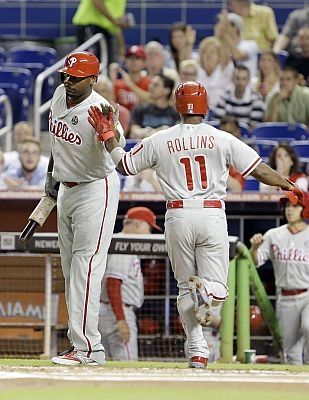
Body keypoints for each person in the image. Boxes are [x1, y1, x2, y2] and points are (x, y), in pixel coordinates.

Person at [87, 80, 303, 368]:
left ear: (178, 106)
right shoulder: (221, 137)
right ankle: (210, 295)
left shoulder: (160, 138)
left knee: (185, 288)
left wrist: (109, 135)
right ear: (206, 106)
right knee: (218, 289)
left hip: (176, 215)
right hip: (211, 213)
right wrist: (287, 185)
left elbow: (124, 165)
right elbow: (259, 170)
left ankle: (197, 348)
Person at [47, 51, 126, 366]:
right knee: (71, 271)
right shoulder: (57, 95)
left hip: (96, 189)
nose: (69, 81)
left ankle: (89, 349)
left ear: (94, 79)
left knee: (85, 267)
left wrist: (110, 132)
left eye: (77, 77)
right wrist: (50, 187)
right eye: (66, 75)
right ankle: (79, 345)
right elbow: (57, 145)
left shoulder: (99, 108)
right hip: (66, 189)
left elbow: (115, 143)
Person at [250, 193, 309, 364]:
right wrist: (254, 248)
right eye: (288, 206)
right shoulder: (273, 234)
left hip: (307, 294)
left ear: (304, 210)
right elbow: (257, 261)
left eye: (295, 206)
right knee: (291, 352)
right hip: (285, 297)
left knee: (308, 326)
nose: (290, 210)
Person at [99, 206, 161, 361]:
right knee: (127, 362)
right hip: (116, 311)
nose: (149, 234)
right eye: (149, 228)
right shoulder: (123, 244)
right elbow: (113, 282)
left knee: (101, 361)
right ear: (139, 224)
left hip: (107, 310)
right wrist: (121, 320)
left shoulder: (119, 242)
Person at [72, 0, 129, 64]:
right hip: (89, 25)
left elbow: (116, 23)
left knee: (104, 64)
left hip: (103, 30)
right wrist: (115, 21)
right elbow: (97, 1)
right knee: (88, 64)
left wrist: (121, 45)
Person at [130, 73, 180, 139]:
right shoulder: (140, 109)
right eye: (151, 83)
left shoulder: (175, 113)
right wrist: (155, 131)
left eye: (156, 85)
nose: (150, 87)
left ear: (166, 90)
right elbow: (134, 132)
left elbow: (177, 135)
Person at [215, 11, 259, 78]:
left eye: (226, 25)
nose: (221, 27)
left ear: (235, 27)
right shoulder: (219, 47)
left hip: (248, 86)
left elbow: (237, 56)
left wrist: (225, 34)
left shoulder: (251, 45)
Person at [197, 37, 234, 110]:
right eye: (205, 52)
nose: (208, 55)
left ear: (219, 56)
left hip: (221, 113)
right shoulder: (198, 72)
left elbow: (226, 55)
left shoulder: (225, 70)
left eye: (212, 52)